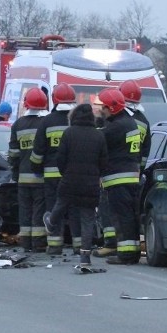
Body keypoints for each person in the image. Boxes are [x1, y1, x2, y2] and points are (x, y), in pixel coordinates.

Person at [43, 104, 107, 267]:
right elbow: (104, 161)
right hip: (90, 184)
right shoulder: (98, 136)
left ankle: (51, 223)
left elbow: (60, 158)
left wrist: (65, 172)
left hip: (70, 180)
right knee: (87, 219)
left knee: (61, 203)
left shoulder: (69, 133)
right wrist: (96, 175)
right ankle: (85, 256)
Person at [96, 88, 143, 265]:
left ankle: (126, 255)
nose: (101, 110)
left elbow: (98, 140)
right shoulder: (129, 123)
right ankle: (132, 252)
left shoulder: (115, 127)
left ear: (112, 108)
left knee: (121, 217)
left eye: (104, 107)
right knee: (129, 216)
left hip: (118, 178)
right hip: (130, 176)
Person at [30, 84, 77, 254]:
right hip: (73, 175)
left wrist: (36, 168)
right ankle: (78, 245)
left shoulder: (47, 121)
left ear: (54, 99)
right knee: (74, 208)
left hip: (51, 176)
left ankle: (55, 245)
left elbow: (38, 152)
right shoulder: (77, 121)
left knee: (53, 208)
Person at [8, 88, 47, 251]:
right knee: (39, 210)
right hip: (41, 177)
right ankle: (38, 243)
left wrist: (14, 172)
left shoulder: (18, 124)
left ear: (26, 104)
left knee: (25, 210)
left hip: (23, 178)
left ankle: (25, 243)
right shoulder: (45, 123)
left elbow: (14, 153)